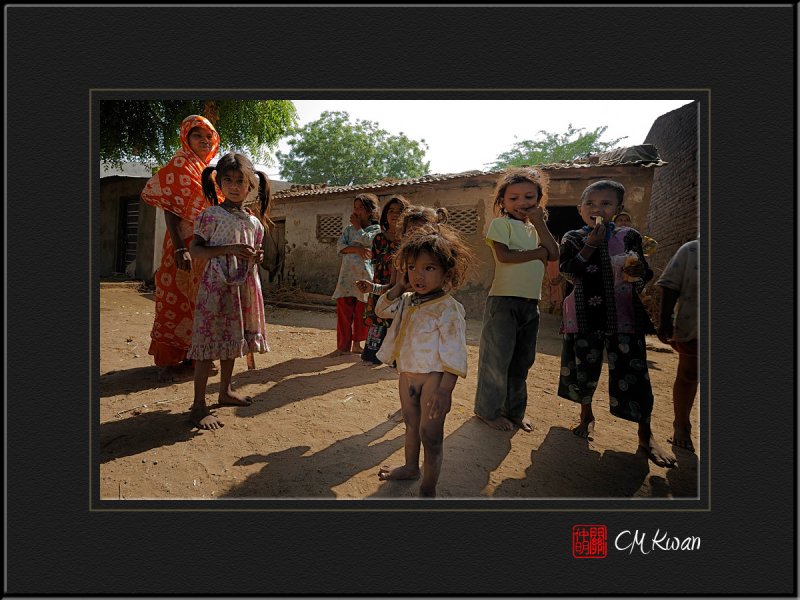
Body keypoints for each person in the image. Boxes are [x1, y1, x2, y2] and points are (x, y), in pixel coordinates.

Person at [558, 180, 676, 468]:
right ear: (580, 208)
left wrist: (637, 271)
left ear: (619, 209)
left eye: (606, 204)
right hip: (584, 315)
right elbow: (568, 271)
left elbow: (642, 272)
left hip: (623, 316)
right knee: (584, 369)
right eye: (591, 204)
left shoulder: (629, 236)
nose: (597, 209)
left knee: (633, 373)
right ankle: (586, 414)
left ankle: (645, 435)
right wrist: (591, 245)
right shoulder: (573, 237)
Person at [373, 225, 474, 497]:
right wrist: (399, 285)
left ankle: (428, 488)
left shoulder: (449, 309)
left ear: (447, 273)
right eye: (412, 267)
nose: (418, 275)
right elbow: (381, 309)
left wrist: (445, 390)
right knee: (410, 424)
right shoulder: (406, 299)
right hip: (407, 375)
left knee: (430, 434)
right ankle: (410, 467)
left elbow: (454, 352)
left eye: (429, 268)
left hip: (433, 379)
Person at [185, 153, 270, 430]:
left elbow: (255, 252)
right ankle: (199, 405)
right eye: (228, 180)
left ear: (250, 185)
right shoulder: (210, 215)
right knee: (208, 341)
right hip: (217, 286)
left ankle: (225, 391)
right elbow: (195, 249)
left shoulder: (254, 222)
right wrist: (229, 250)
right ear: (218, 183)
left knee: (234, 337)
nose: (234, 186)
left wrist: (255, 258)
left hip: (243, 286)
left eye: (240, 181)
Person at [474, 168, 559, 432]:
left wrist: (541, 226)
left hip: (530, 303)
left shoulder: (537, 230)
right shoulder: (501, 224)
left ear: (539, 200)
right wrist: (537, 253)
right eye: (514, 198)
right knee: (497, 359)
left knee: (522, 361)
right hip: (503, 301)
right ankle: (487, 411)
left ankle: (515, 411)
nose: (522, 203)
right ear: (503, 203)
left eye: (529, 197)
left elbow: (553, 253)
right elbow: (506, 257)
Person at [140, 115, 222, 381]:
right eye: (198, 135)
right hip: (183, 246)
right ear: (186, 138)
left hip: (206, 249)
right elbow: (170, 210)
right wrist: (178, 248)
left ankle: (196, 355)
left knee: (202, 302)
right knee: (176, 300)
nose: (204, 140)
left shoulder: (209, 172)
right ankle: (170, 360)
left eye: (209, 136)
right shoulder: (180, 165)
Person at [356, 204, 450, 421]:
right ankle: (407, 409)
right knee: (407, 372)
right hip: (408, 322)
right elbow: (392, 289)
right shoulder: (402, 261)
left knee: (429, 371)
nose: (416, 236)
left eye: (422, 230)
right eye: (410, 232)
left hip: (430, 324)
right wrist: (372, 288)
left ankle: (424, 412)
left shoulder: (440, 260)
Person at [656, 239, 699, 452]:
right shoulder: (693, 250)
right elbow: (670, 284)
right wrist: (664, 321)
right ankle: (682, 423)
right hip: (696, 327)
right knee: (689, 374)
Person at [358, 194, 409, 364]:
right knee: (379, 318)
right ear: (385, 215)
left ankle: (394, 357)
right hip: (380, 285)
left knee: (399, 319)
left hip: (402, 286)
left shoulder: (408, 241)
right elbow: (375, 263)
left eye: (399, 211)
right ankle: (374, 354)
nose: (394, 214)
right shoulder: (379, 238)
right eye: (391, 211)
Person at [331, 193, 381, 356]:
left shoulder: (377, 230)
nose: (357, 211)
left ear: (370, 211)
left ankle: (357, 345)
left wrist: (358, 228)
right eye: (355, 207)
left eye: (361, 208)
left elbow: (369, 242)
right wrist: (357, 249)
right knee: (344, 312)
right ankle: (342, 346)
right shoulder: (348, 230)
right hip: (346, 278)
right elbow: (340, 247)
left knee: (361, 313)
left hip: (365, 277)